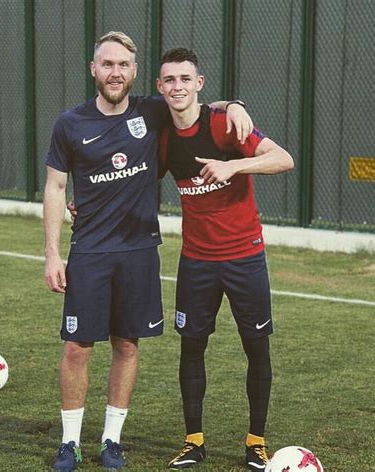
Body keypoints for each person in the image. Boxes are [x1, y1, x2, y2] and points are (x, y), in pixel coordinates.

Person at [43, 32, 253, 471]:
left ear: (135, 73)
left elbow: (195, 102)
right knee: (77, 348)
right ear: (93, 70)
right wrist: (51, 252)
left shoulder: (151, 110)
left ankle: (111, 440)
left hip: (140, 252)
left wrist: (233, 105)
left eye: (123, 65)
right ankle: (69, 443)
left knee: (128, 346)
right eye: (107, 64)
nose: (115, 72)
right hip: (90, 252)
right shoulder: (70, 123)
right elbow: (56, 187)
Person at [156, 48, 294, 471]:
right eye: (169, 80)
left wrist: (234, 167)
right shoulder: (161, 136)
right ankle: (193, 441)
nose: (177, 86)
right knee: (191, 348)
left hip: (244, 258)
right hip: (196, 261)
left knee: (256, 349)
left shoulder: (224, 123)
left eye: (185, 78)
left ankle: (256, 442)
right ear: (160, 87)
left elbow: (283, 159)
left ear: (199, 83)